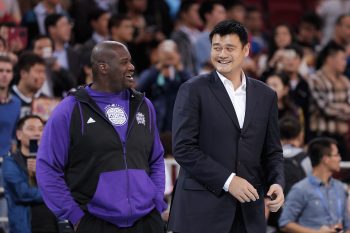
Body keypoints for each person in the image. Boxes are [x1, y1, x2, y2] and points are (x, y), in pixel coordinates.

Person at [36, 41, 167, 233]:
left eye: (130, 61)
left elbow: (156, 158)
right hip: (95, 222)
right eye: (124, 62)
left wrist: (156, 200)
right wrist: (74, 215)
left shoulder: (144, 105)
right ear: (103, 67)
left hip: (147, 222)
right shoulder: (70, 109)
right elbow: (47, 166)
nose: (131, 67)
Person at [168, 20, 285, 233]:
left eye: (229, 48)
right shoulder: (192, 90)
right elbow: (183, 148)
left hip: (249, 214)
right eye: (216, 47)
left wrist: (276, 181)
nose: (222, 54)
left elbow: (272, 151)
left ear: (246, 49)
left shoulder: (266, 95)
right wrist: (228, 181)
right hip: (200, 213)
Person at [279, 137, 350, 233]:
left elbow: (347, 224)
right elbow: (285, 223)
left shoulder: (340, 187)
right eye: (336, 155)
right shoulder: (300, 189)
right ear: (326, 159)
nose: (340, 158)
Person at [3, 115, 58, 233]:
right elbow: (23, 193)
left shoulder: (53, 161)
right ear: (19, 134)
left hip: (54, 226)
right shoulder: (10, 163)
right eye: (31, 129)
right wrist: (53, 193)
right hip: (26, 228)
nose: (37, 133)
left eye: (41, 129)